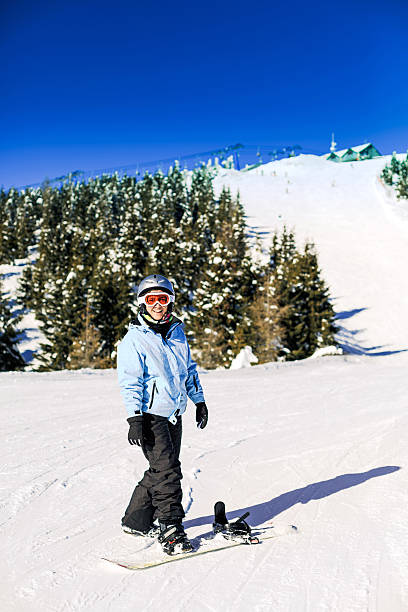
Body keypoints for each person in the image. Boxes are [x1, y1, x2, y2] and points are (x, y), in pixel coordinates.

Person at [117, 274, 208, 555]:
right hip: (150, 415)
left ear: (170, 302)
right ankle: (170, 527)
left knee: (162, 468)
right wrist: (135, 418)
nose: (158, 305)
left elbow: (188, 370)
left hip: (174, 413)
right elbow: (130, 381)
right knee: (168, 471)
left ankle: (136, 520)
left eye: (163, 298)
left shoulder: (177, 333)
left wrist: (199, 400)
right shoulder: (133, 340)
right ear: (143, 303)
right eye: (152, 299)